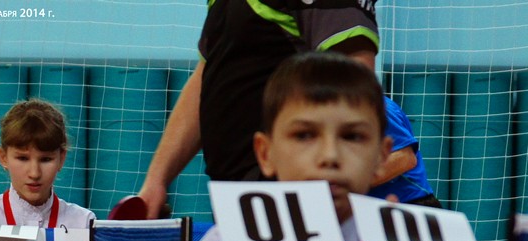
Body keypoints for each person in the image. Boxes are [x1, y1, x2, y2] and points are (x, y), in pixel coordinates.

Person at [137, 0, 380, 219]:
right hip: (236, 194)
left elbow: (354, 92)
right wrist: (157, 180)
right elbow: (207, 76)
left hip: (291, 197)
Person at [202, 52, 392, 241]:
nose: (330, 156)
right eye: (304, 135)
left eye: (352, 137)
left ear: (381, 157)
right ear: (265, 154)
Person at [0, 99, 95, 228]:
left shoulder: (83, 223)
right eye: (23, 158)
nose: (34, 173)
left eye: (45, 159)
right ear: (3, 157)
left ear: (61, 158)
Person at [368, 96, 442, 208]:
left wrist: (355, 183)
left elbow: (405, 158)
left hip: (411, 203)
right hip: (372, 205)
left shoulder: (378, 107)